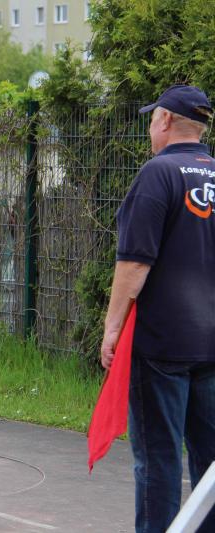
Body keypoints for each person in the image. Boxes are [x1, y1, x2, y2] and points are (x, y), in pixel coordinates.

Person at [100, 84, 215, 532]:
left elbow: (134, 263)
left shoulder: (158, 174)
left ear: (165, 120)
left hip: (163, 345)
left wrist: (112, 329)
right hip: (211, 344)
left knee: (159, 459)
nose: (151, 127)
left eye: (152, 118)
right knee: (210, 465)